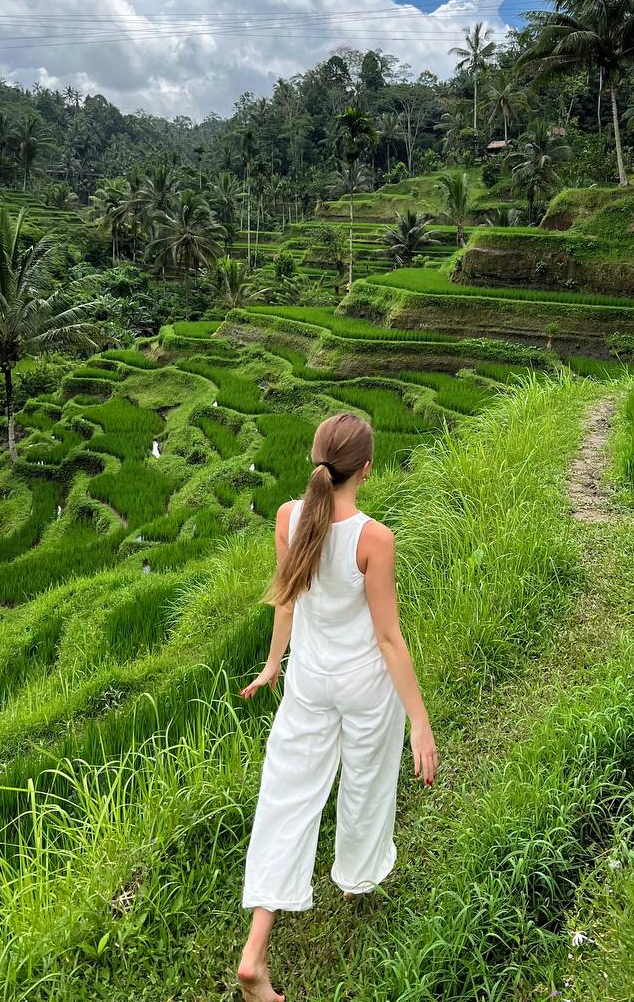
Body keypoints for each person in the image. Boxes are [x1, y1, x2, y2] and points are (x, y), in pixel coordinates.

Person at [237, 412, 437, 1002]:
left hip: (308, 682)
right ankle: (353, 881)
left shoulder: (288, 518)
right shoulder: (373, 538)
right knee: (366, 783)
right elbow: (388, 639)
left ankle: (255, 952)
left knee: (286, 800)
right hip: (363, 685)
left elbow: (286, 604)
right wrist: (420, 722)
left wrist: (275, 664)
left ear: (315, 459)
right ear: (366, 469)